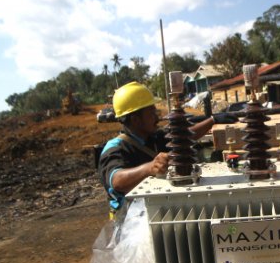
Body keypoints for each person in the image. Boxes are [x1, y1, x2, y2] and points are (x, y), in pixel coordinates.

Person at [98, 82, 233, 217]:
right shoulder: (116, 148)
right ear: (135, 120)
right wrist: (149, 168)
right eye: (151, 113)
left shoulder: (153, 137)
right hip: (129, 222)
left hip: (154, 211)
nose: (157, 118)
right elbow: (117, 181)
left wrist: (212, 120)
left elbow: (185, 136)